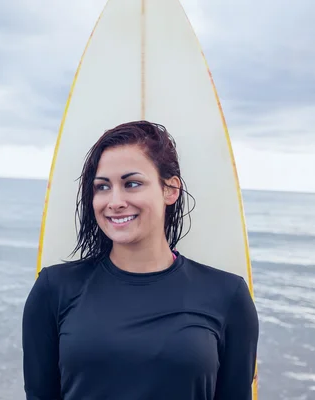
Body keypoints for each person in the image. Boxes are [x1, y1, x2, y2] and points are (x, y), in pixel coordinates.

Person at [22, 120, 259, 400]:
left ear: (170, 190)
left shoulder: (227, 295)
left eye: (131, 184)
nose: (115, 200)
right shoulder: (55, 289)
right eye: (102, 187)